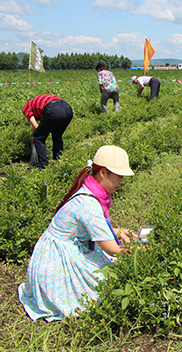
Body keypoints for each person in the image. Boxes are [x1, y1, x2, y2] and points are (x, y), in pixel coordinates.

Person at [18, 145, 136, 321]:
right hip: (55, 261)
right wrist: (140, 252)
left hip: (67, 248)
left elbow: (96, 227)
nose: (122, 182)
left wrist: (118, 232)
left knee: (112, 272)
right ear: (103, 173)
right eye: (119, 176)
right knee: (109, 283)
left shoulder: (93, 192)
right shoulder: (88, 204)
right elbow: (112, 249)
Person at [22, 94, 73, 169]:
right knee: (57, 136)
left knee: (38, 138)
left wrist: (34, 137)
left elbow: (35, 126)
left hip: (54, 109)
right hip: (67, 109)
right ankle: (59, 162)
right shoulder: (38, 105)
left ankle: (43, 165)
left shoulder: (26, 109)